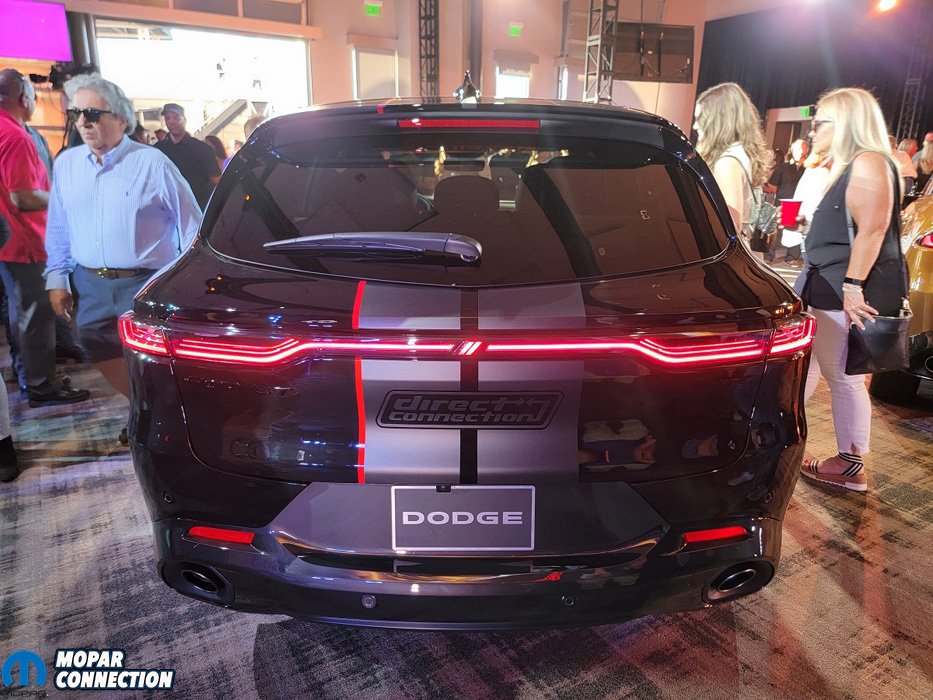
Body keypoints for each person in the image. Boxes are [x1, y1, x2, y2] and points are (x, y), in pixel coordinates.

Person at [44, 74, 201, 423]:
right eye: (76, 113)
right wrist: (57, 278)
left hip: (145, 283)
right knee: (97, 347)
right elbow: (59, 225)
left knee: (152, 360)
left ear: (121, 119)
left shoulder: (152, 163)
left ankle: (163, 416)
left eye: (92, 113)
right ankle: (147, 410)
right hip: (90, 284)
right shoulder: (67, 164)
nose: (83, 122)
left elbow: (192, 225)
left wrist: (182, 283)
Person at [797, 87, 904, 493]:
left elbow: (873, 229)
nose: (813, 130)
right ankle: (785, 438)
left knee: (843, 378)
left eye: (820, 122)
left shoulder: (868, 161)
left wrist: (853, 286)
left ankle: (849, 463)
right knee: (811, 367)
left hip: (839, 288)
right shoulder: (856, 163)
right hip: (828, 285)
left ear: (845, 123)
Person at [0, 68, 91, 407]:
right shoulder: (17, 137)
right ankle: (41, 385)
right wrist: (64, 198)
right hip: (25, 240)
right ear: (24, 98)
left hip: (9, 241)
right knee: (35, 317)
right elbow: (23, 196)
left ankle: (30, 375)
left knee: (21, 313)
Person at [693, 82, 773, 261]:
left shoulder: (727, 163)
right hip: (751, 256)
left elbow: (730, 228)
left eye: (700, 119)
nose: (695, 126)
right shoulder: (743, 154)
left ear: (718, 121)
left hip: (734, 262)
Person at [154, 103, 220, 209]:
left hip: (198, 206)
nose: (171, 121)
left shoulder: (202, 149)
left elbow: (216, 180)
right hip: (169, 207)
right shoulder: (159, 149)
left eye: (176, 117)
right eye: (168, 118)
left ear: (184, 120)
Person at [764, 138, 808, 264]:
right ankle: (768, 256)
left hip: (800, 204)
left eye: (802, 149)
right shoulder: (783, 167)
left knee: (797, 231)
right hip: (782, 203)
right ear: (792, 150)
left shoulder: (808, 169)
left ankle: (792, 257)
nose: (800, 151)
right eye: (797, 148)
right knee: (775, 230)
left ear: (806, 151)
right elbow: (772, 186)